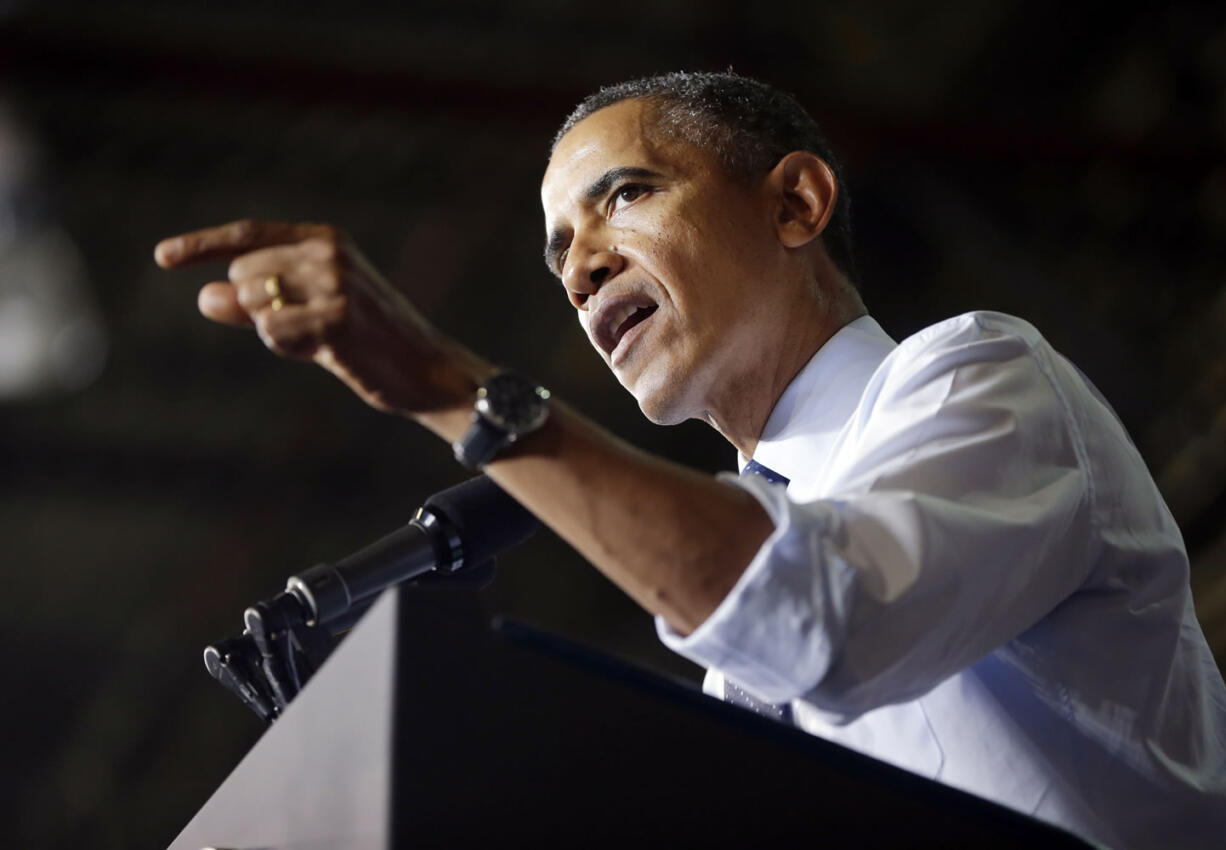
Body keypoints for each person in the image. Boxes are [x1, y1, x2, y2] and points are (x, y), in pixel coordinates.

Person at [155, 71, 1226, 848]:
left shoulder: (981, 376)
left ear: (794, 203)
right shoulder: (725, 675)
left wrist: (450, 387)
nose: (579, 269)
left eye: (621, 197)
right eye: (556, 252)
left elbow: (825, 614)